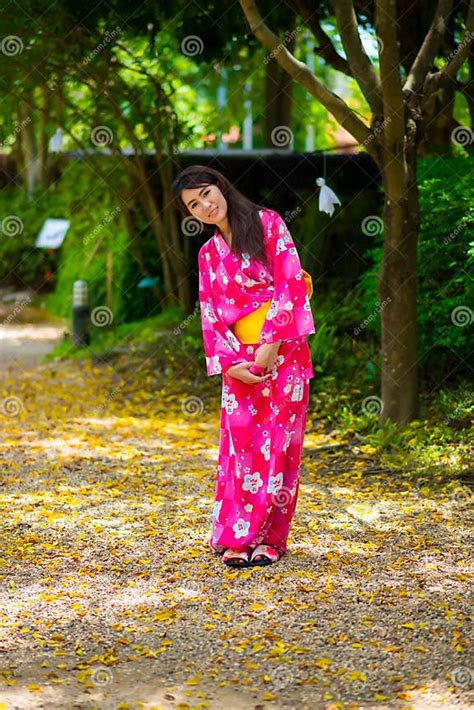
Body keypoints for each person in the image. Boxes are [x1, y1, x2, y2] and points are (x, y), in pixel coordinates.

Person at [172, 165, 315, 568]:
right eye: (193, 205)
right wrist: (230, 363)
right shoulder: (207, 255)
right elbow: (210, 314)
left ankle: (271, 539)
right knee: (241, 449)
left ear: (220, 185)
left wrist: (270, 345)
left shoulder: (267, 224)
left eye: (206, 193)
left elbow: (290, 284)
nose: (204, 205)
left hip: (283, 351)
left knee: (280, 448)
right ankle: (238, 534)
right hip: (238, 359)